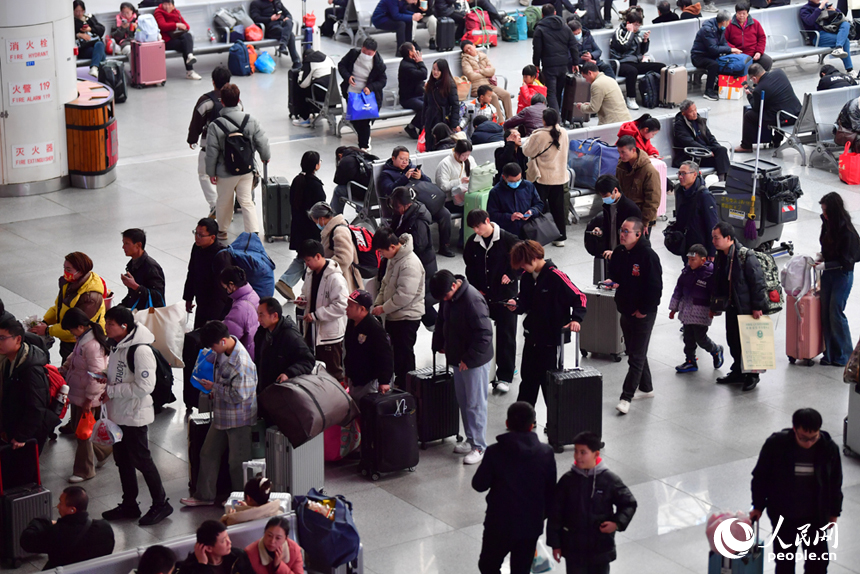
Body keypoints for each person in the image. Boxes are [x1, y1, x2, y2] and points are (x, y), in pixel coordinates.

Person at [100, 306, 172, 525]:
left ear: (124, 326)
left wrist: (112, 390)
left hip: (134, 416)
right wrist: (104, 377)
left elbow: (145, 387)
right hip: (119, 415)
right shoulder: (117, 346)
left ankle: (161, 503)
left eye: (110, 324)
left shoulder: (140, 351)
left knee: (142, 460)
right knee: (122, 461)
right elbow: (121, 374)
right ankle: (129, 504)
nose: (106, 327)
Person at [750, 408, 842, 574]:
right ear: (794, 430)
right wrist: (758, 506)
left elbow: (835, 483)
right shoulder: (776, 445)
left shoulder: (828, 449)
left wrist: (834, 512)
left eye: (813, 438)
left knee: (818, 564)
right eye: (803, 438)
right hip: (784, 516)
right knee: (785, 562)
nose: (808, 443)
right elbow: (760, 477)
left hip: (816, 517)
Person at [472, 401, 556, 574]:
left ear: (507, 424)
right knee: (522, 569)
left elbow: (479, 485)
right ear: (532, 425)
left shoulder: (495, 452)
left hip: (499, 523)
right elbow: (551, 493)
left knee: (488, 565)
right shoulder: (546, 453)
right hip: (530, 525)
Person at [181, 320, 258, 507]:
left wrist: (214, 387)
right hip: (222, 416)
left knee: (237, 462)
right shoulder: (223, 351)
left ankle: (241, 500)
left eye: (213, 346)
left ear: (223, 341)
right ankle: (204, 496)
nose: (212, 350)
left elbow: (239, 395)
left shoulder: (241, 363)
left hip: (239, 418)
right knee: (207, 453)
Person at [506, 241, 586, 408]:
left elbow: (580, 297)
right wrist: (516, 305)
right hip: (531, 337)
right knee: (527, 379)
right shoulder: (528, 277)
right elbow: (525, 302)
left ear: (534, 258)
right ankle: (524, 418)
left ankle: (556, 421)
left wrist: (576, 319)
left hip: (550, 341)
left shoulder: (556, 276)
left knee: (549, 381)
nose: (522, 268)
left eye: (523, 264)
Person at [547, 432, 638, 574]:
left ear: (596, 454)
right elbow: (555, 514)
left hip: (600, 548)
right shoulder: (567, 481)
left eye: (583, 452)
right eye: (576, 451)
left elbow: (629, 503)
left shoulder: (609, 480)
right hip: (574, 549)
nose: (578, 456)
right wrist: (555, 544)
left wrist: (617, 523)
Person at [430, 270, 493, 465]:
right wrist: (438, 343)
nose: (444, 300)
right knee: (464, 401)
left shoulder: (473, 300)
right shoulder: (448, 298)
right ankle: (470, 439)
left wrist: (469, 358)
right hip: (458, 358)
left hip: (474, 361)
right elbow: (442, 321)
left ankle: (479, 446)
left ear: (454, 286)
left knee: (475, 403)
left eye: (445, 296)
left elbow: (484, 334)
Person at [606, 218, 662, 415]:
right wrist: (612, 281)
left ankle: (626, 397)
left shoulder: (648, 256)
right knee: (635, 351)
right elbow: (617, 275)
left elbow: (655, 288)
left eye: (627, 231)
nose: (622, 234)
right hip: (625, 309)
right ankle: (646, 388)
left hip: (643, 314)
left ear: (638, 234)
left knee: (636, 357)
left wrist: (644, 310)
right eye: (621, 230)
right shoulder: (620, 252)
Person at [464, 210, 521, 393]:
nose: (476, 231)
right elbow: (469, 268)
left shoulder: (509, 240)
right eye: (473, 228)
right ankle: (482, 371)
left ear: (487, 221)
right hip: (483, 296)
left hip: (506, 296)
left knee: (506, 335)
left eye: (478, 226)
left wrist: (512, 275)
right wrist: (475, 287)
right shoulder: (472, 243)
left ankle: (505, 375)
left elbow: (524, 261)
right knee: (480, 332)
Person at [206, 83, 271, 239]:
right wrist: (265, 156)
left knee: (224, 201)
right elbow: (262, 141)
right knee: (247, 201)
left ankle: (222, 231)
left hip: (225, 171)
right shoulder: (251, 120)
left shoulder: (216, 125)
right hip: (246, 169)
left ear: (222, 102)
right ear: (239, 100)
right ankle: (253, 231)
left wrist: (211, 172)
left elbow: (212, 151)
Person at [710, 222, 767, 391]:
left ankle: (752, 375)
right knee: (733, 340)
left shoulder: (745, 256)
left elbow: (758, 283)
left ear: (728, 238)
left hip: (747, 307)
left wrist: (757, 306)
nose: (713, 241)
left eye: (716, 238)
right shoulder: (721, 255)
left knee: (749, 342)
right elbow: (718, 282)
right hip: (732, 306)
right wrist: (715, 305)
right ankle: (737, 371)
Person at [58, 308, 112, 482]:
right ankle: (104, 451)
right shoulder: (84, 339)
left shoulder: (92, 345)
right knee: (83, 429)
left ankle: (84, 471)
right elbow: (75, 356)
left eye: (71, 329)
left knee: (82, 434)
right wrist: (65, 367)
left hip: (87, 396)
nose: (71, 333)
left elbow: (97, 376)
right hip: (80, 393)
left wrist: (89, 399)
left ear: (80, 327)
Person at [371, 229, 425, 389]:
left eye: (381, 251)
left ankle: (408, 388)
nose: (381, 255)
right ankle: (399, 385)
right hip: (394, 315)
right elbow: (385, 284)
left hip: (407, 317)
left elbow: (404, 295)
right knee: (396, 354)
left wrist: (383, 308)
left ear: (393, 246)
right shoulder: (393, 259)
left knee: (404, 356)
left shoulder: (409, 263)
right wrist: (377, 303)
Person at [29, 252, 106, 362]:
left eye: (69, 270)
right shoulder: (69, 283)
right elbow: (58, 307)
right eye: (64, 268)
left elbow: (77, 326)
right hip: (68, 336)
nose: (65, 272)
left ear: (81, 271)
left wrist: (48, 330)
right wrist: (46, 321)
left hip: (80, 340)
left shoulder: (90, 297)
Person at [0, 316, 57, 455]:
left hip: (29, 433)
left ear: (18, 339)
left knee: (23, 472)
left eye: (2, 338)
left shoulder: (30, 369)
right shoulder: (9, 360)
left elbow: (36, 407)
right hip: (14, 424)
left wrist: (22, 436)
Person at [20, 486, 115, 569]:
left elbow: (26, 541)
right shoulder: (105, 528)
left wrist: (44, 520)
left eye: (61, 503)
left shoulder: (57, 533)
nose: (57, 506)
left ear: (72, 509)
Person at [816, 192, 860, 367]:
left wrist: (825, 265)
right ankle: (830, 354)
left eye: (826, 211)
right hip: (830, 273)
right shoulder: (828, 224)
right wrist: (822, 256)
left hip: (842, 275)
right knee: (825, 312)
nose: (824, 214)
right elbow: (826, 245)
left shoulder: (847, 233)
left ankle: (845, 355)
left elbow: (846, 262)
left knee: (835, 312)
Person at [276, 151, 326, 301]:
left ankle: (286, 282)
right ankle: (291, 283)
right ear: (316, 166)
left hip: (298, 229)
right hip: (311, 231)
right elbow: (321, 209)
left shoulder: (297, 181)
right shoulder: (315, 186)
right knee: (310, 259)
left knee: (304, 257)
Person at [389, 187, 442, 328]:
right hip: (410, 263)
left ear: (407, 204)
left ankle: (437, 328)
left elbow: (419, 246)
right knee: (420, 300)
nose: (394, 209)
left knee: (420, 298)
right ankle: (435, 325)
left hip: (421, 264)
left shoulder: (418, 222)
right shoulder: (401, 214)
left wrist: (398, 247)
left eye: (397, 206)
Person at [296, 240, 348, 381]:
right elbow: (306, 293)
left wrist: (316, 315)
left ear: (318, 256)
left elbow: (342, 306)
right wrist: (302, 300)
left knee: (333, 372)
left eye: (308, 260)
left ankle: (339, 400)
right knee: (315, 369)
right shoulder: (309, 273)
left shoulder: (335, 278)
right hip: (312, 330)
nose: (306, 264)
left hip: (329, 335)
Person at [669, 244, 724, 374]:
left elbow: (716, 293)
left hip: (701, 313)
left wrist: (714, 309)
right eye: (689, 259)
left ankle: (716, 350)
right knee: (688, 338)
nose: (690, 262)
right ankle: (690, 361)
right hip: (687, 311)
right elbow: (678, 290)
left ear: (703, 260)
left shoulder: (710, 275)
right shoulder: (686, 272)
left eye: (693, 260)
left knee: (701, 338)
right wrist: (673, 308)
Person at [187, 66, 232, 216]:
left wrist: (192, 139)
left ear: (213, 82)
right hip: (231, 146)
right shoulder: (234, 99)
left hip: (209, 147)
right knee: (227, 176)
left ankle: (215, 205)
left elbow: (196, 122)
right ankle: (229, 204)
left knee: (204, 174)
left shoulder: (205, 100)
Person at [523, 108, 570, 247]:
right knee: (558, 208)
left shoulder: (539, 135)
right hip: (559, 176)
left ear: (544, 120)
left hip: (542, 177)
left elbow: (527, 151)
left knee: (539, 207)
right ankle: (561, 237)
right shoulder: (564, 132)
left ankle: (539, 237)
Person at [254, 297, 316, 396]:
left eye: (261, 315)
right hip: (264, 390)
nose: (258, 319)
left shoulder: (290, 336)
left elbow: (308, 360)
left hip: (282, 392)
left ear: (274, 316)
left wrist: (288, 374)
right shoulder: (261, 333)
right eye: (258, 314)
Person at [735, 63, 801, 153]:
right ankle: (776, 141)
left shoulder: (759, 90)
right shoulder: (779, 72)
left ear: (754, 78)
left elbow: (756, 108)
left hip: (783, 119)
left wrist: (750, 96)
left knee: (749, 116)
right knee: (776, 107)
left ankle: (746, 145)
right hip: (797, 113)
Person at [344, 289, 394, 402]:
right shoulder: (351, 323)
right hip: (355, 378)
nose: (346, 308)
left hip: (369, 380)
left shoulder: (374, 328)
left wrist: (384, 381)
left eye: (350, 306)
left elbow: (385, 356)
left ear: (362, 309)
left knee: (367, 411)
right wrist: (348, 372)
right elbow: (349, 350)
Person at [609, 11, 665, 110]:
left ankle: (661, 94)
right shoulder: (618, 32)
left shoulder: (637, 34)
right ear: (628, 23)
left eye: (638, 25)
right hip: (621, 63)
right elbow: (623, 47)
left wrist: (645, 41)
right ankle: (631, 98)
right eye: (635, 25)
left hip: (635, 62)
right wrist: (630, 32)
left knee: (661, 66)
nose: (637, 28)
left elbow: (642, 52)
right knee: (632, 71)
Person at [338, 38, 387, 152]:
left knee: (364, 121)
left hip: (368, 97)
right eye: (364, 52)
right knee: (355, 119)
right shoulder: (353, 54)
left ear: (374, 52)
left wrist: (370, 88)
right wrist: (348, 76)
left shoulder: (378, 64)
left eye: (369, 54)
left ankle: (363, 146)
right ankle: (364, 137)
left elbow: (382, 81)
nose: (366, 55)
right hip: (352, 93)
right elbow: (342, 65)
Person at [184, 218, 232, 329]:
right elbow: (192, 272)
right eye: (196, 233)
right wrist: (188, 297)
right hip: (202, 302)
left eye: (201, 235)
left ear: (212, 237)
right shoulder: (197, 248)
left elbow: (222, 292)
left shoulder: (221, 256)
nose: (197, 237)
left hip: (216, 308)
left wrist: (213, 319)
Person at [532, 4, 579, 112]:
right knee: (558, 91)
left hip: (549, 66)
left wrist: (536, 65)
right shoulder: (565, 27)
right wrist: (575, 63)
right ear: (554, 12)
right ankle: (559, 116)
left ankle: (556, 119)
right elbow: (573, 45)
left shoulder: (539, 29)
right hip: (563, 64)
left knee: (551, 93)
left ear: (542, 14)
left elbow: (537, 49)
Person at [310, 202, 364, 293]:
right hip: (337, 280)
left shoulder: (339, 231)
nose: (317, 225)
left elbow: (344, 258)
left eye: (316, 222)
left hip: (344, 282)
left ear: (322, 219)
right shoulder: (329, 231)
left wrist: (324, 269)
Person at [673, 161, 720, 260]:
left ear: (694, 174)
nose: (680, 177)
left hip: (700, 247)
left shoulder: (705, 196)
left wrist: (711, 252)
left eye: (684, 174)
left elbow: (712, 225)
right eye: (679, 173)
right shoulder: (679, 190)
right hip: (685, 243)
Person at [672, 100, 730, 179]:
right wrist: (707, 151)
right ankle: (723, 181)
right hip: (692, 156)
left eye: (695, 109)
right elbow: (689, 143)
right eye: (691, 111)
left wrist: (716, 147)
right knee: (721, 158)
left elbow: (710, 137)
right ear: (684, 114)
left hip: (704, 153)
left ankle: (724, 180)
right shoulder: (680, 125)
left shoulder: (699, 120)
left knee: (721, 151)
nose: (695, 113)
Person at [615, 135, 660, 231]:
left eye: (623, 152)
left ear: (633, 150)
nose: (621, 155)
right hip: (625, 213)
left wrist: (644, 222)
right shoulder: (622, 166)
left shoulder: (649, 171)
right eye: (619, 152)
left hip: (642, 217)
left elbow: (653, 199)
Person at [487, 163, 544, 238]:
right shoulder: (495, 192)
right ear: (504, 177)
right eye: (512, 182)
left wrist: (531, 211)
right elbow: (492, 215)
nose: (516, 183)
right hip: (507, 233)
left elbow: (539, 204)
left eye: (518, 180)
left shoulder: (528, 186)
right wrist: (510, 217)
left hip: (529, 230)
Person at [435, 139, 478, 240]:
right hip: (449, 200)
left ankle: (474, 236)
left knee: (476, 204)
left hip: (465, 196)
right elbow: (443, 186)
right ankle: (464, 238)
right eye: (464, 155)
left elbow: (475, 173)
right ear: (456, 152)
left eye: (468, 155)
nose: (466, 157)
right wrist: (460, 181)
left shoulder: (469, 160)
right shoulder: (445, 164)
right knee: (469, 208)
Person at [175, 520, 254, 574]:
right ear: (209, 548)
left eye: (228, 537)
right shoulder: (189, 568)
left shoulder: (238, 556)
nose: (229, 542)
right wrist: (203, 566)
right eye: (223, 541)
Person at [691, 11, 738, 101]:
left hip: (710, 55)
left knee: (726, 60)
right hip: (698, 56)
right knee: (714, 64)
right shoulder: (708, 30)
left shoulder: (720, 28)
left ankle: (719, 85)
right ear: (724, 22)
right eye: (729, 21)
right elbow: (713, 49)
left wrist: (730, 51)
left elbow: (723, 43)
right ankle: (708, 91)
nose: (729, 23)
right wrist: (730, 49)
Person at [461, 40, 513, 121]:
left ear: (474, 46)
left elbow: (492, 71)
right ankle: (500, 122)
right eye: (466, 50)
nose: (468, 51)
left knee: (506, 94)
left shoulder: (482, 56)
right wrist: (486, 72)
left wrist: (480, 71)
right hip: (477, 87)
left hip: (488, 84)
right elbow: (471, 75)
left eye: (469, 48)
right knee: (493, 96)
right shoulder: (465, 60)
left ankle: (510, 120)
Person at [595, 174, 642, 261]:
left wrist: (620, 252)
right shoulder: (607, 207)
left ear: (615, 190)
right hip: (610, 252)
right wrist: (600, 230)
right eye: (601, 196)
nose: (603, 198)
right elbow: (607, 226)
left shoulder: (631, 209)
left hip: (626, 255)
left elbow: (634, 237)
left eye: (605, 195)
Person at [800, 0, 853, 73]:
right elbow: (810, 22)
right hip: (818, 36)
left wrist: (835, 10)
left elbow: (840, 15)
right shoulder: (805, 9)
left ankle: (839, 47)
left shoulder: (825, 5)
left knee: (845, 24)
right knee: (845, 40)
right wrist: (819, 8)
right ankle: (849, 69)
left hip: (830, 31)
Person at [154, 0, 201, 80]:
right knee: (186, 45)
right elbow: (162, 26)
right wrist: (176, 25)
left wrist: (183, 26)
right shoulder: (158, 12)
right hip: (167, 40)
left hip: (178, 38)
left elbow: (187, 26)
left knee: (188, 36)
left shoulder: (176, 12)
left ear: (173, 5)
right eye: (165, 4)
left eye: (169, 4)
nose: (167, 6)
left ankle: (189, 56)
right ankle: (190, 71)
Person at [220, 266, 261, 359]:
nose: (226, 291)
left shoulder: (240, 308)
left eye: (225, 287)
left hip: (243, 356)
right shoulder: (252, 294)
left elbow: (227, 339)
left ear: (231, 285)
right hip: (254, 350)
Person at [120, 228, 165, 310]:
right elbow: (132, 294)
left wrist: (135, 286)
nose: (123, 247)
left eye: (127, 243)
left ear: (138, 245)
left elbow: (158, 297)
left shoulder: (151, 267)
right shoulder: (131, 265)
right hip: (136, 308)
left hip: (146, 313)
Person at [249, 0, 301, 70]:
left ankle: (283, 45)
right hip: (270, 27)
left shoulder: (277, 2)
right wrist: (270, 19)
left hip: (282, 24)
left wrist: (287, 18)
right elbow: (256, 18)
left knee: (289, 22)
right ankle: (296, 60)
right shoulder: (256, 3)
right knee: (290, 35)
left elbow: (288, 14)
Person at [576, 62, 631, 126]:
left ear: (590, 73)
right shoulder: (610, 79)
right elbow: (608, 101)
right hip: (625, 119)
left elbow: (594, 109)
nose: (586, 80)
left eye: (585, 77)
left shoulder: (597, 84)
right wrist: (591, 104)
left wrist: (582, 107)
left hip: (612, 123)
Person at [292, 49, 337, 127]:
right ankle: (332, 116)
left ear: (305, 56)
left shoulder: (309, 61)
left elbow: (303, 84)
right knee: (329, 85)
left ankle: (304, 119)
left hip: (322, 94)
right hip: (335, 94)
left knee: (302, 90)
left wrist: (301, 73)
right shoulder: (328, 58)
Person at [423, 59, 461, 152]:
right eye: (433, 69)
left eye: (438, 70)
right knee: (429, 143)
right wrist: (423, 122)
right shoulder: (430, 84)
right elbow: (425, 103)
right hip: (430, 118)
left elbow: (455, 105)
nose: (435, 72)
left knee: (441, 144)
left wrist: (454, 123)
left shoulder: (450, 85)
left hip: (442, 119)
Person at [724, 2, 772, 73]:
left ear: (747, 13)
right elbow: (724, 40)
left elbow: (762, 38)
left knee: (767, 61)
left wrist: (758, 52)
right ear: (736, 13)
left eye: (744, 13)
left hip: (753, 53)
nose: (741, 16)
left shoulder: (755, 23)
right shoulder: (729, 25)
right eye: (739, 13)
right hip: (738, 55)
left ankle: (759, 82)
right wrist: (733, 49)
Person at [331, 146, 376, 215]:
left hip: (364, 193)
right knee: (358, 183)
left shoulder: (346, 161)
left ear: (340, 155)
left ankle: (334, 215)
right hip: (376, 192)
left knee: (339, 189)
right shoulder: (365, 155)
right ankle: (361, 211)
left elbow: (338, 180)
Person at [399, 42, 427, 139]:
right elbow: (423, 74)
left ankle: (424, 127)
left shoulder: (411, 63)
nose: (416, 51)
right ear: (410, 53)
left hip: (418, 94)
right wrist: (420, 62)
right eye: (414, 49)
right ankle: (411, 127)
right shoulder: (406, 66)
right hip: (408, 98)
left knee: (433, 103)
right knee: (424, 107)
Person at [73, 1, 106, 77]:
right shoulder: (71, 22)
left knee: (100, 45)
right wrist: (78, 35)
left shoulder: (89, 18)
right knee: (102, 55)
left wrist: (90, 29)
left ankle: (94, 68)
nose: (79, 13)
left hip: (94, 45)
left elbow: (101, 29)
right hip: (83, 48)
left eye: (81, 11)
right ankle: (97, 69)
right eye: (77, 11)